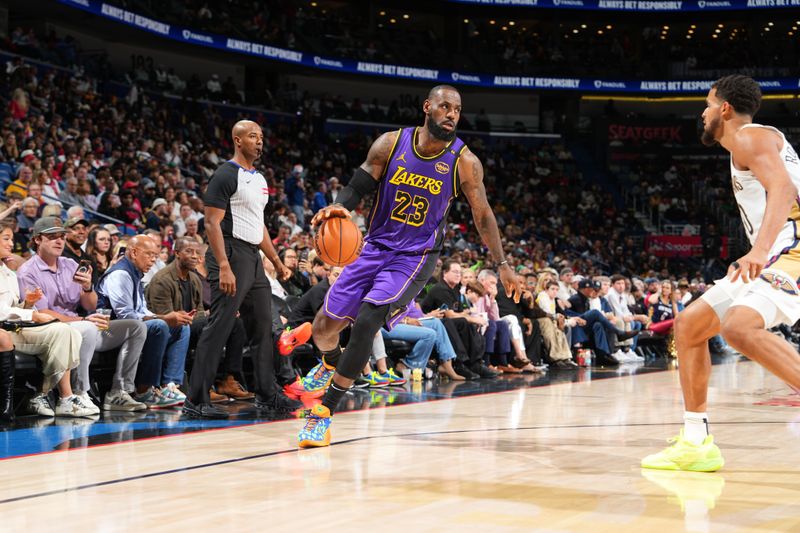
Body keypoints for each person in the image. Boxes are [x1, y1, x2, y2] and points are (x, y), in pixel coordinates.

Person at [295, 85, 520, 447]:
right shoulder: (391, 143)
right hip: (374, 246)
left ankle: (323, 413)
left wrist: (503, 263)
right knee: (324, 328)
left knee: (369, 318)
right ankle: (330, 363)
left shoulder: (464, 161)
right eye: (444, 106)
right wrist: (341, 207)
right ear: (427, 107)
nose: (451, 114)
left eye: (457, 110)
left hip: (414, 257)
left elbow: (483, 215)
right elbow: (360, 182)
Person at [642, 75, 800, 472]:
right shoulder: (748, 144)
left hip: (792, 251)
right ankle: (696, 442)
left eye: (708, 104)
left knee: (738, 328)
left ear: (725, 109)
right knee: (690, 325)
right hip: (778, 250)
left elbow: (782, 190)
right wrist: (755, 252)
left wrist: (761, 252)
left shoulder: (750, 136)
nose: (703, 112)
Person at [183, 120, 296, 418]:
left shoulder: (258, 179)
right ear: (237, 140)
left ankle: (267, 394)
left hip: (253, 257)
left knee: (262, 326)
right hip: (230, 253)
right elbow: (211, 223)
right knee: (219, 325)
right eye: (252, 137)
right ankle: (195, 400)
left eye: (261, 137)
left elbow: (258, 226)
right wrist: (222, 265)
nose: (259, 142)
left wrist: (276, 261)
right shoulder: (225, 174)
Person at [17, 217, 148, 412]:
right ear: (37, 240)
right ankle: (79, 393)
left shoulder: (70, 264)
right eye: (53, 237)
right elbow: (43, 313)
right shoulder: (28, 271)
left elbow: (90, 305)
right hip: (55, 328)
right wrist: (83, 319)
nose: (60, 241)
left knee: (136, 327)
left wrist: (87, 288)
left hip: (82, 324)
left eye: (62, 236)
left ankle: (119, 392)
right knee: (86, 328)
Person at [0, 221, 91, 418]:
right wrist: (31, 313)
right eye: (6, 239)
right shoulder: (24, 270)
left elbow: (13, 307)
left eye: (12, 239)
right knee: (65, 330)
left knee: (66, 331)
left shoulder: (8, 272)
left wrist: (27, 304)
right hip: (6, 330)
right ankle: (62, 396)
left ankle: (43, 395)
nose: (10, 244)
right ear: (38, 240)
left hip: (18, 327)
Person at [145, 238, 252, 401]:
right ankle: (203, 386)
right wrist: (207, 317)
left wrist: (212, 315)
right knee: (210, 326)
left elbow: (200, 312)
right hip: (172, 329)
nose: (194, 256)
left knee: (235, 322)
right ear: (177, 254)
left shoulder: (194, 279)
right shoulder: (163, 279)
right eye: (188, 251)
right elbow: (164, 318)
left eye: (197, 252)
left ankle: (228, 380)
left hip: (190, 325)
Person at [96, 235, 189, 408]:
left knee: (181, 328)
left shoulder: (136, 274)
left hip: (132, 328)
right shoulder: (121, 274)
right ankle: (144, 390)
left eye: (156, 255)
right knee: (159, 325)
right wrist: (163, 318)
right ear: (133, 252)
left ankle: (169, 385)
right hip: (108, 330)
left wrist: (171, 318)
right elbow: (126, 316)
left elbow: (142, 311)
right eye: (149, 254)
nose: (153, 260)